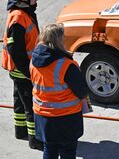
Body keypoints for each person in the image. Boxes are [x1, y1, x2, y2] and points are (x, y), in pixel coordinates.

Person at [30, 24, 88, 159]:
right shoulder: (66, 65)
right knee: (68, 151)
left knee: (49, 149)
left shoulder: (34, 60)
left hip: (42, 116)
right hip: (65, 118)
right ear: (59, 41)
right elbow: (82, 91)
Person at [2, 0, 43, 151]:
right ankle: (35, 139)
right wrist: (28, 72)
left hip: (19, 68)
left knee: (19, 101)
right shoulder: (19, 18)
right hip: (22, 69)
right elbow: (15, 49)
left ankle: (20, 131)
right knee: (30, 105)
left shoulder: (23, 11)